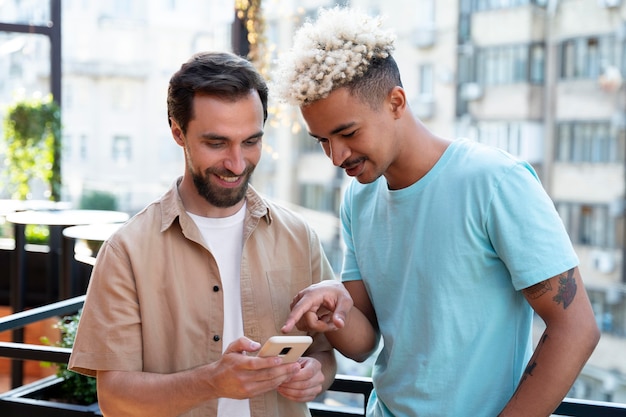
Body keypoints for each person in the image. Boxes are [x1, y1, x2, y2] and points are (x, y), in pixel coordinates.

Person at [275, 7, 600, 417]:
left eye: (348, 133)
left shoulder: (494, 181)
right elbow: (364, 342)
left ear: (396, 102)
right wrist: (334, 305)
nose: (336, 156)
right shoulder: (359, 199)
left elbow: (576, 328)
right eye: (322, 140)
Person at [68, 51, 337, 417]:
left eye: (250, 141)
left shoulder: (298, 236)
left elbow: (323, 350)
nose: (237, 163)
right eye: (217, 143)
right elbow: (114, 398)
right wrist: (213, 382)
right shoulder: (126, 251)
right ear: (178, 132)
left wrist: (316, 374)